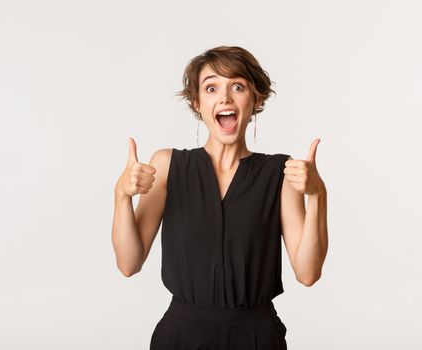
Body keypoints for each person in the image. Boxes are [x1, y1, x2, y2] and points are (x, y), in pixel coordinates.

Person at [111, 46, 328, 350]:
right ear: (198, 104)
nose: (225, 98)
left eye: (237, 87)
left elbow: (307, 274)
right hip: (181, 338)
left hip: (256, 338)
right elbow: (128, 264)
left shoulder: (280, 173)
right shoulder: (166, 165)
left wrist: (318, 195)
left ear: (256, 99)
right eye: (211, 88)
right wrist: (121, 195)